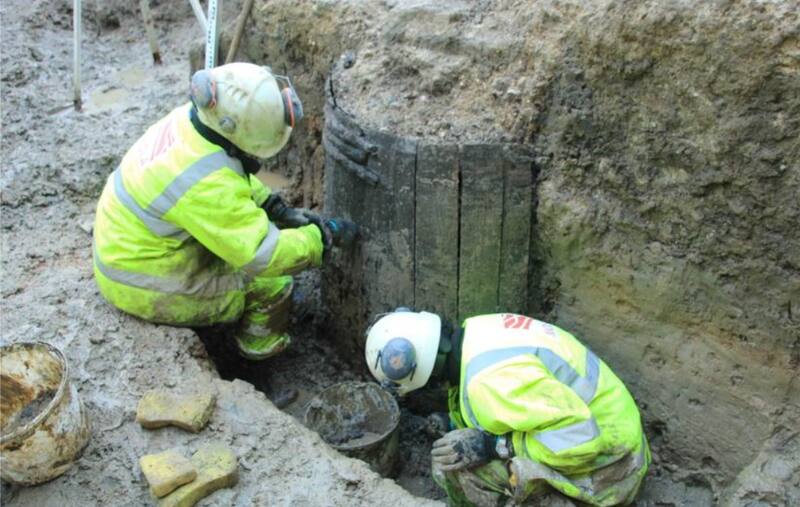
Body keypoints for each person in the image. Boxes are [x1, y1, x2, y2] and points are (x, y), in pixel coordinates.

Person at [93, 62, 356, 360]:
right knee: (272, 284)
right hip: (140, 281)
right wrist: (321, 237)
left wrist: (274, 206)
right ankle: (259, 353)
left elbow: (227, 175)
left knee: (240, 243)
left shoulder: (193, 122)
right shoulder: (205, 185)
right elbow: (263, 255)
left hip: (128, 247)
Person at [365, 310, 650, 506]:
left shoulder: (486, 386)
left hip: (614, 466)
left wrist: (495, 447)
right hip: (615, 423)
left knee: (454, 469)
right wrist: (454, 422)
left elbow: (581, 438)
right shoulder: (477, 331)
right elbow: (516, 405)